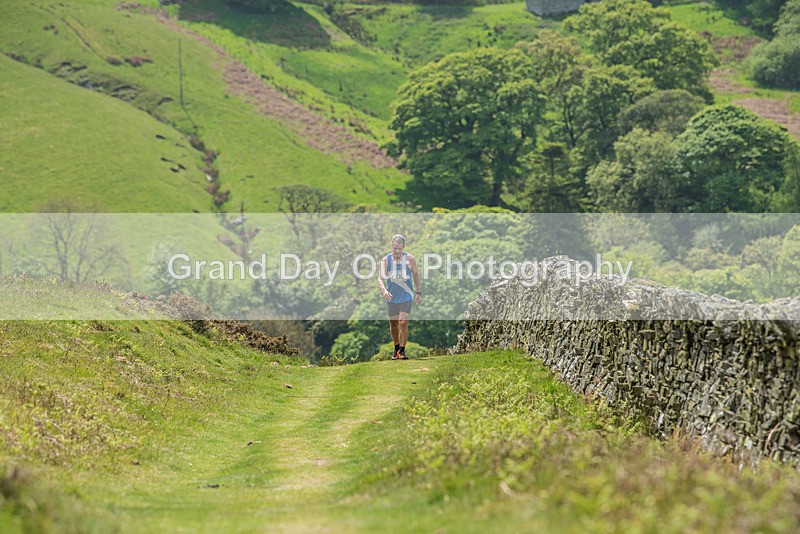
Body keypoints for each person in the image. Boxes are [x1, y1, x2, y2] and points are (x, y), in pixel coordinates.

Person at [378, 234, 422, 360]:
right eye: (394, 248)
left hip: (406, 296)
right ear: (391, 246)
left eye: (399, 248)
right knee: (393, 325)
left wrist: (418, 293)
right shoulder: (385, 260)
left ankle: (402, 351)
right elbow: (380, 278)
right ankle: (396, 349)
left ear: (403, 247)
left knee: (403, 322)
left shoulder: (410, 259)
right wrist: (384, 291)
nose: (396, 251)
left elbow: (416, 275)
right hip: (391, 297)